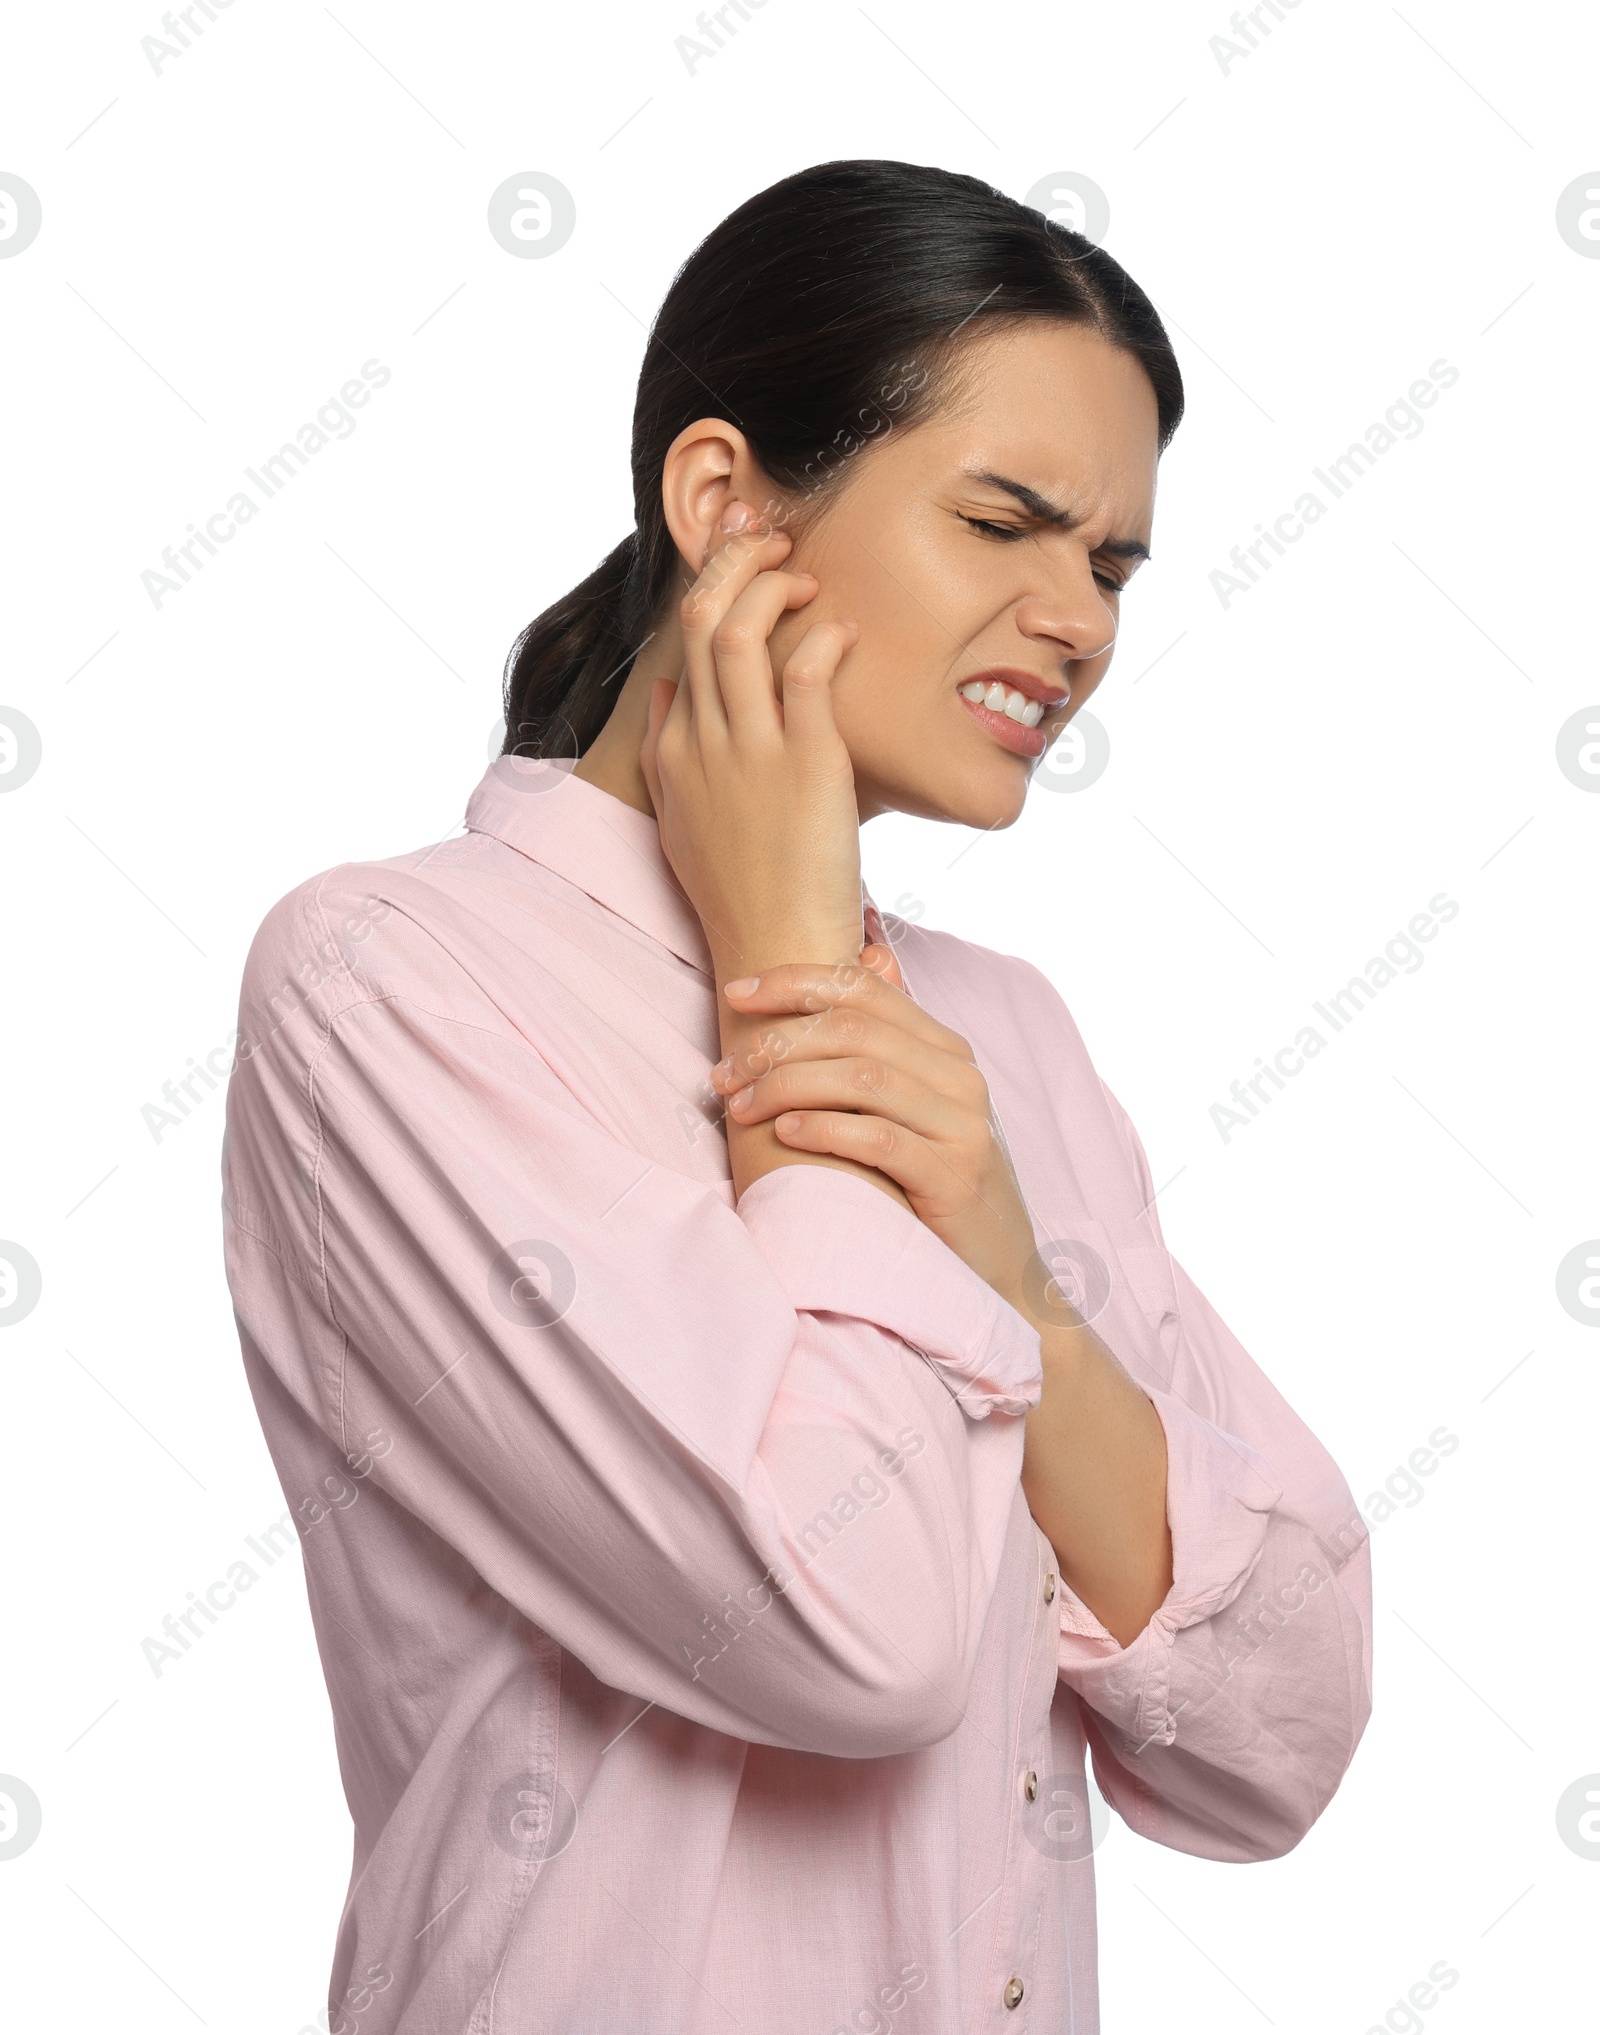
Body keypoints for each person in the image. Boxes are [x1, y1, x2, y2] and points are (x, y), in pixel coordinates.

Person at [222, 159, 1372, 2035]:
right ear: (724, 502)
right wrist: (798, 974)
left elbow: (1285, 1731)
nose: (1074, 622)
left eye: (1109, 563)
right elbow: (858, 1633)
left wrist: (1019, 1277)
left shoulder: (1016, 1035)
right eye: (1003, 521)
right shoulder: (391, 983)